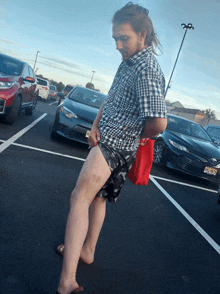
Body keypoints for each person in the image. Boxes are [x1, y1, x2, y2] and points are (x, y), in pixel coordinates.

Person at [55, 2, 167, 293]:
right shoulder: (128, 61)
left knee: (79, 197)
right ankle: (86, 249)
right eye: (115, 38)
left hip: (114, 147)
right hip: (112, 141)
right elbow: (112, 97)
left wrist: (125, 132)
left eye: (124, 38)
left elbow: (159, 125)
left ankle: (67, 281)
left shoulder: (147, 68)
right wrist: (94, 125)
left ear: (143, 35)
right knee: (99, 199)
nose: (118, 45)